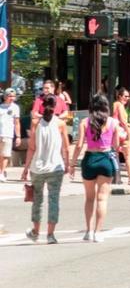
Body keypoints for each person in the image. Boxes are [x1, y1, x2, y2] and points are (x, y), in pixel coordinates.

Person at [69, 93, 120, 242]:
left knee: (89, 198)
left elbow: (79, 145)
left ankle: (88, 231)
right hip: (106, 159)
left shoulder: (85, 122)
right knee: (102, 199)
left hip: (90, 159)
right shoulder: (113, 122)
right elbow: (116, 145)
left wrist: (72, 164)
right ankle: (98, 232)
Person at [21, 92, 70, 243]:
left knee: (37, 201)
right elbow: (66, 147)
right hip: (56, 167)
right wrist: (67, 164)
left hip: (37, 168)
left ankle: (36, 232)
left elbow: (31, 148)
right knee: (54, 200)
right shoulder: (61, 124)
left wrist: (25, 168)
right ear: (55, 106)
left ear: (42, 106)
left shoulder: (35, 123)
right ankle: (50, 235)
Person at [0, 88, 22, 180]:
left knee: (6, 154)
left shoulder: (15, 108)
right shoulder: (1, 107)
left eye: (13, 96)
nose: (12, 98)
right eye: (10, 96)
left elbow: (17, 122)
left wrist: (18, 136)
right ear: (5, 97)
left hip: (8, 134)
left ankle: (2, 173)